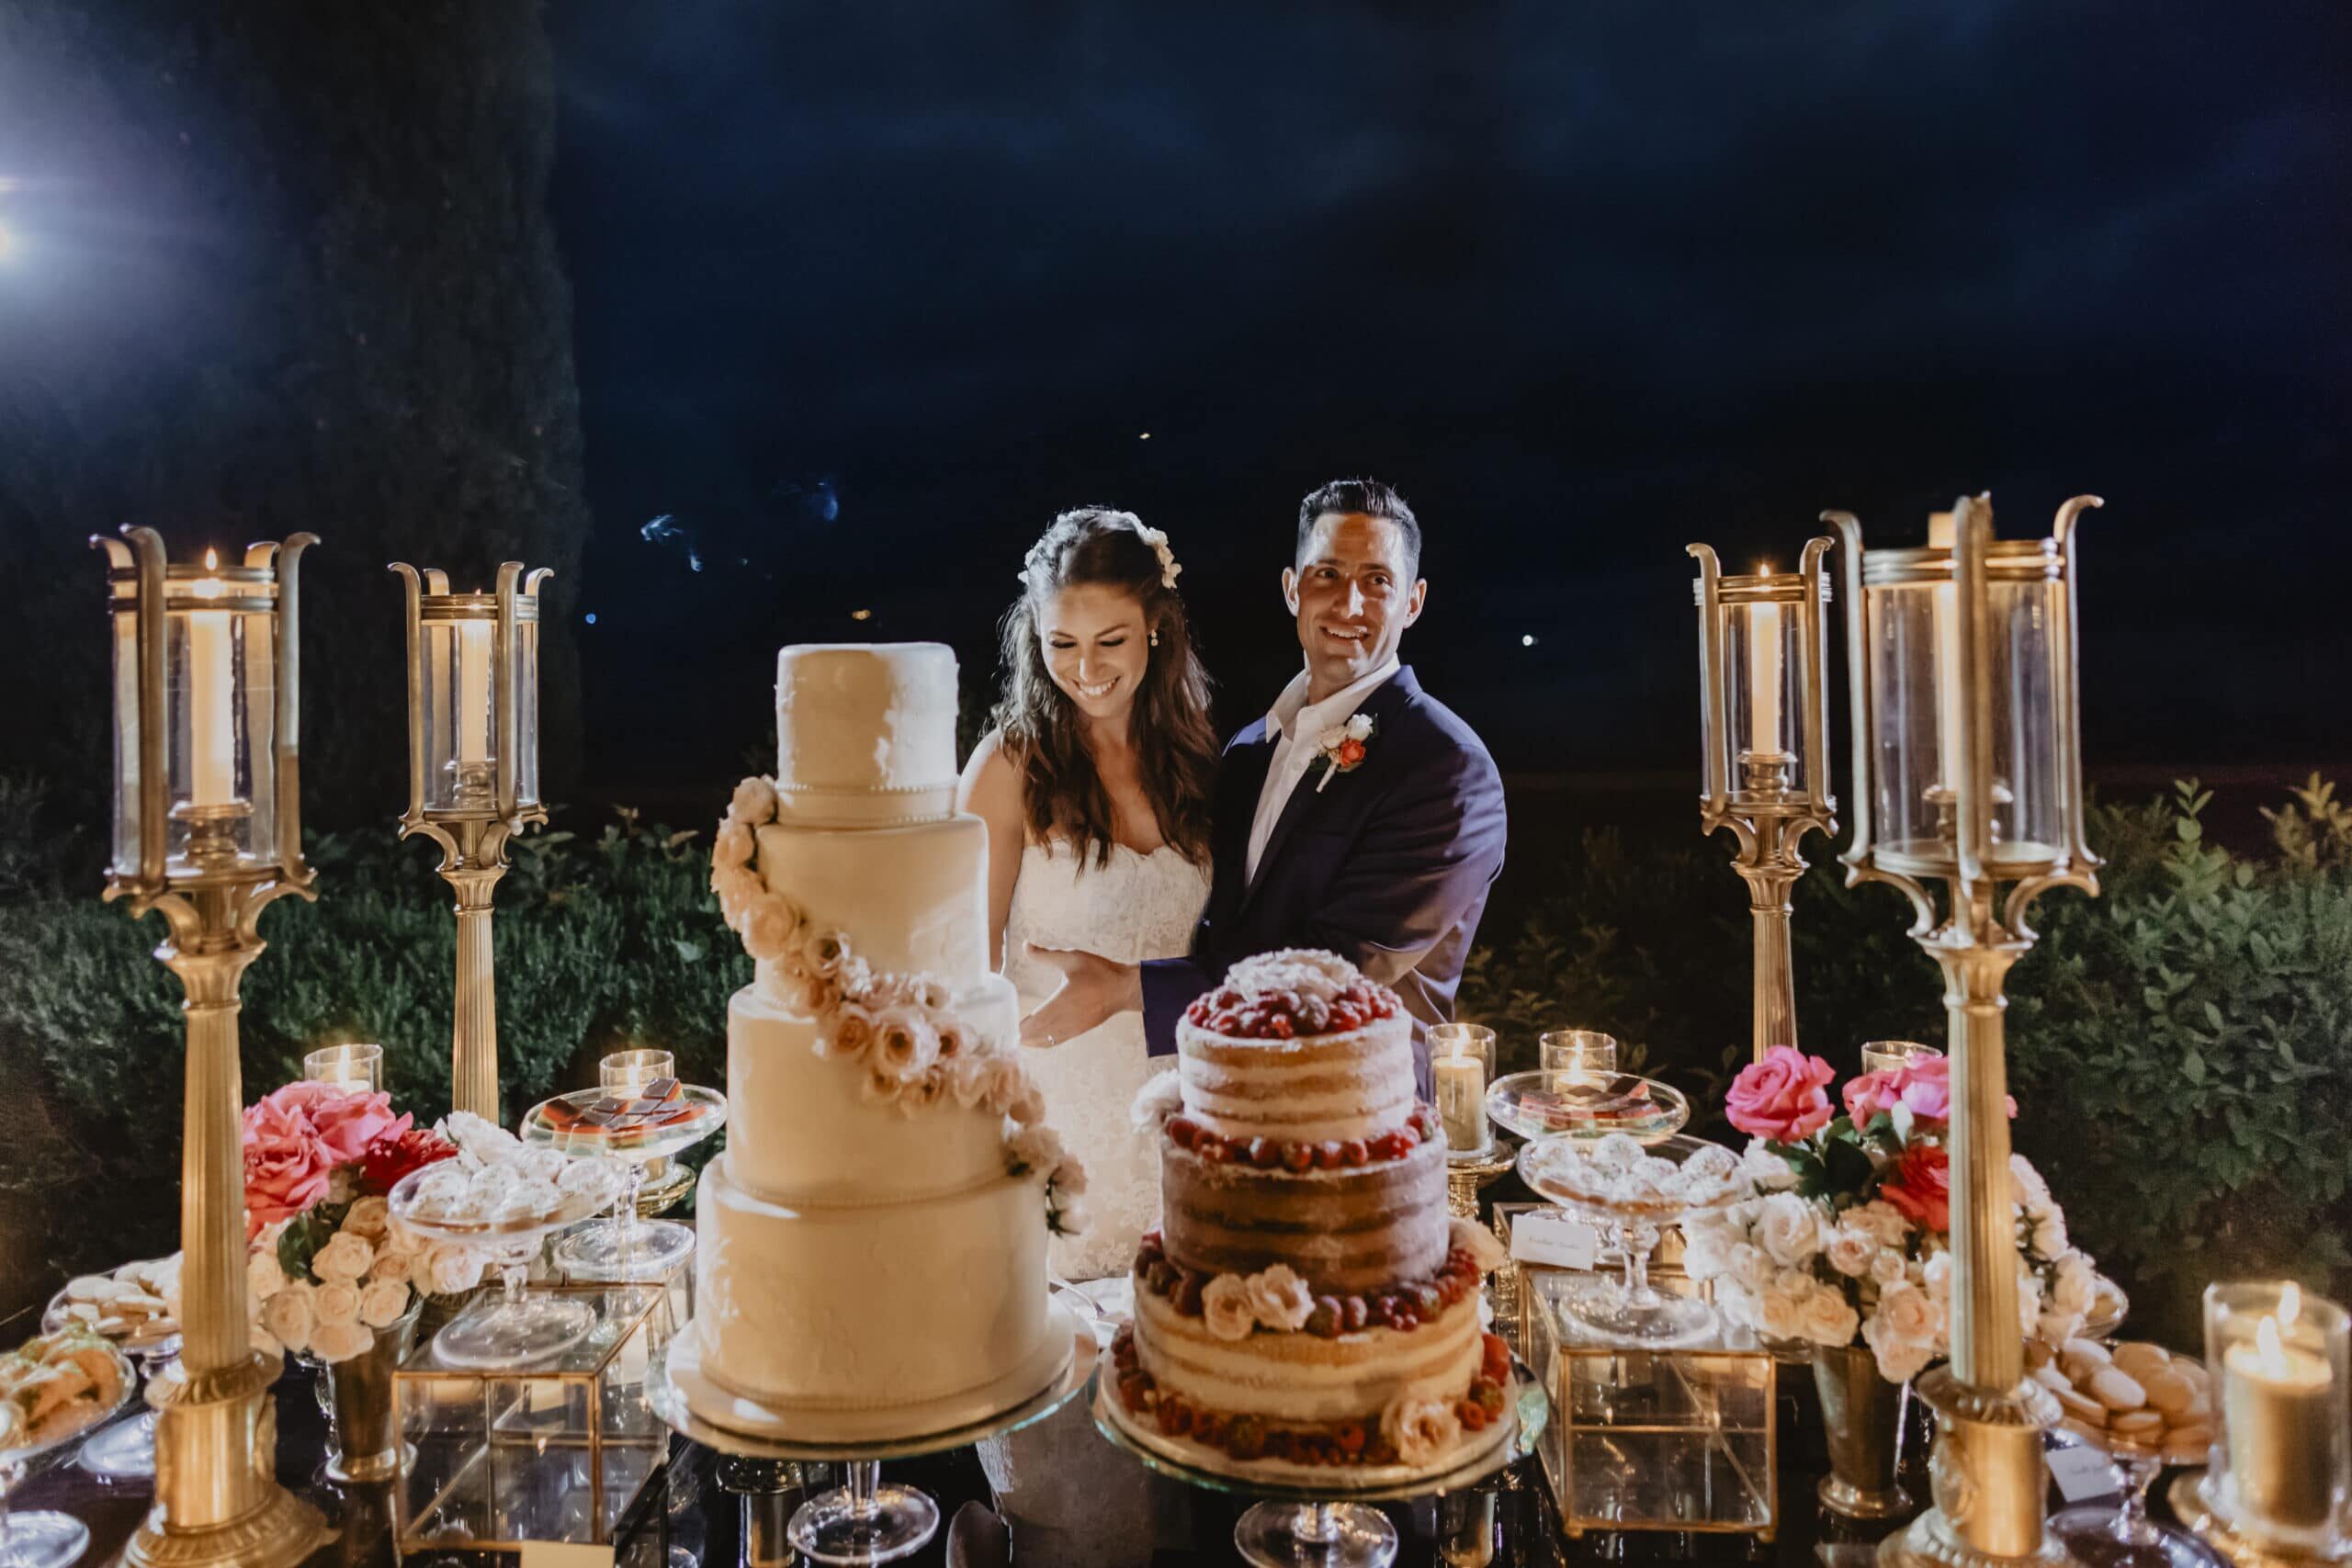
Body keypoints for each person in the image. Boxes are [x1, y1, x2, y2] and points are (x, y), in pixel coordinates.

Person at [1021, 478, 1507, 1097]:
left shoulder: (1447, 769)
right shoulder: (1248, 749)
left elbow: (1333, 969)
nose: (1348, 604)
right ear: (1291, 588)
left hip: (1356, 1123)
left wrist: (1129, 988)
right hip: (1219, 1105)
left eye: (1377, 581)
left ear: (1412, 602)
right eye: (1326, 574)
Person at [957, 507, 1218, 1281]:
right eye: (1061, 644)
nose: (1086, 668)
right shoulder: (1007, 770)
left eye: (1111, 640)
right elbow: (964, 980)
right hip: (1055, 1135)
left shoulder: (1199, 763)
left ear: (1156, 630)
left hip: (1183, 1128)